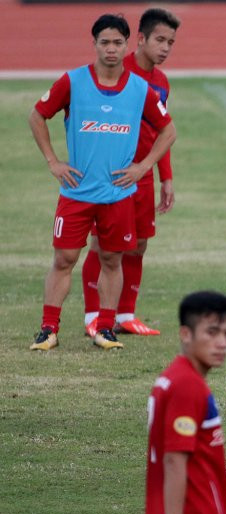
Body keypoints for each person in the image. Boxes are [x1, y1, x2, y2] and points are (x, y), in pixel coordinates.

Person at [28, 13, 176, 351]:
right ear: (94, 44)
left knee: (113, 260)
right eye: (104, 42)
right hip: (76, 192)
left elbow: (169, 131)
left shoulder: (140, 89)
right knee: (64, 259)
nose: (111, 49)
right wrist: (53, 161)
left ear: (127, 44)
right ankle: (48, 328)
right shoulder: (73, 81)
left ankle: (105, 329)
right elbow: (38, 115)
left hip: (119, 194)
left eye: (117, 43)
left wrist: (144, 168)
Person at [81, 8, 181, 338]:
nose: (165, 48)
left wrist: (164, 176)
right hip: (112, 176)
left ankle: (125, 315)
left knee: (138, 245)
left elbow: (160, 131)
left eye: (171, 42)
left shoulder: (162, 82)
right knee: (104, 246)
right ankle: (93, 316)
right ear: (140, 39)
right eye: (160, 40)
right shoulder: (119, 74)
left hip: (143, 176)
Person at [145, 291, 226, 514]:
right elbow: (174, 460)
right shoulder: (187, 386)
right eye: (211, 332)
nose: (222, 343)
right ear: (186, 334)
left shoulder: (174, 377)